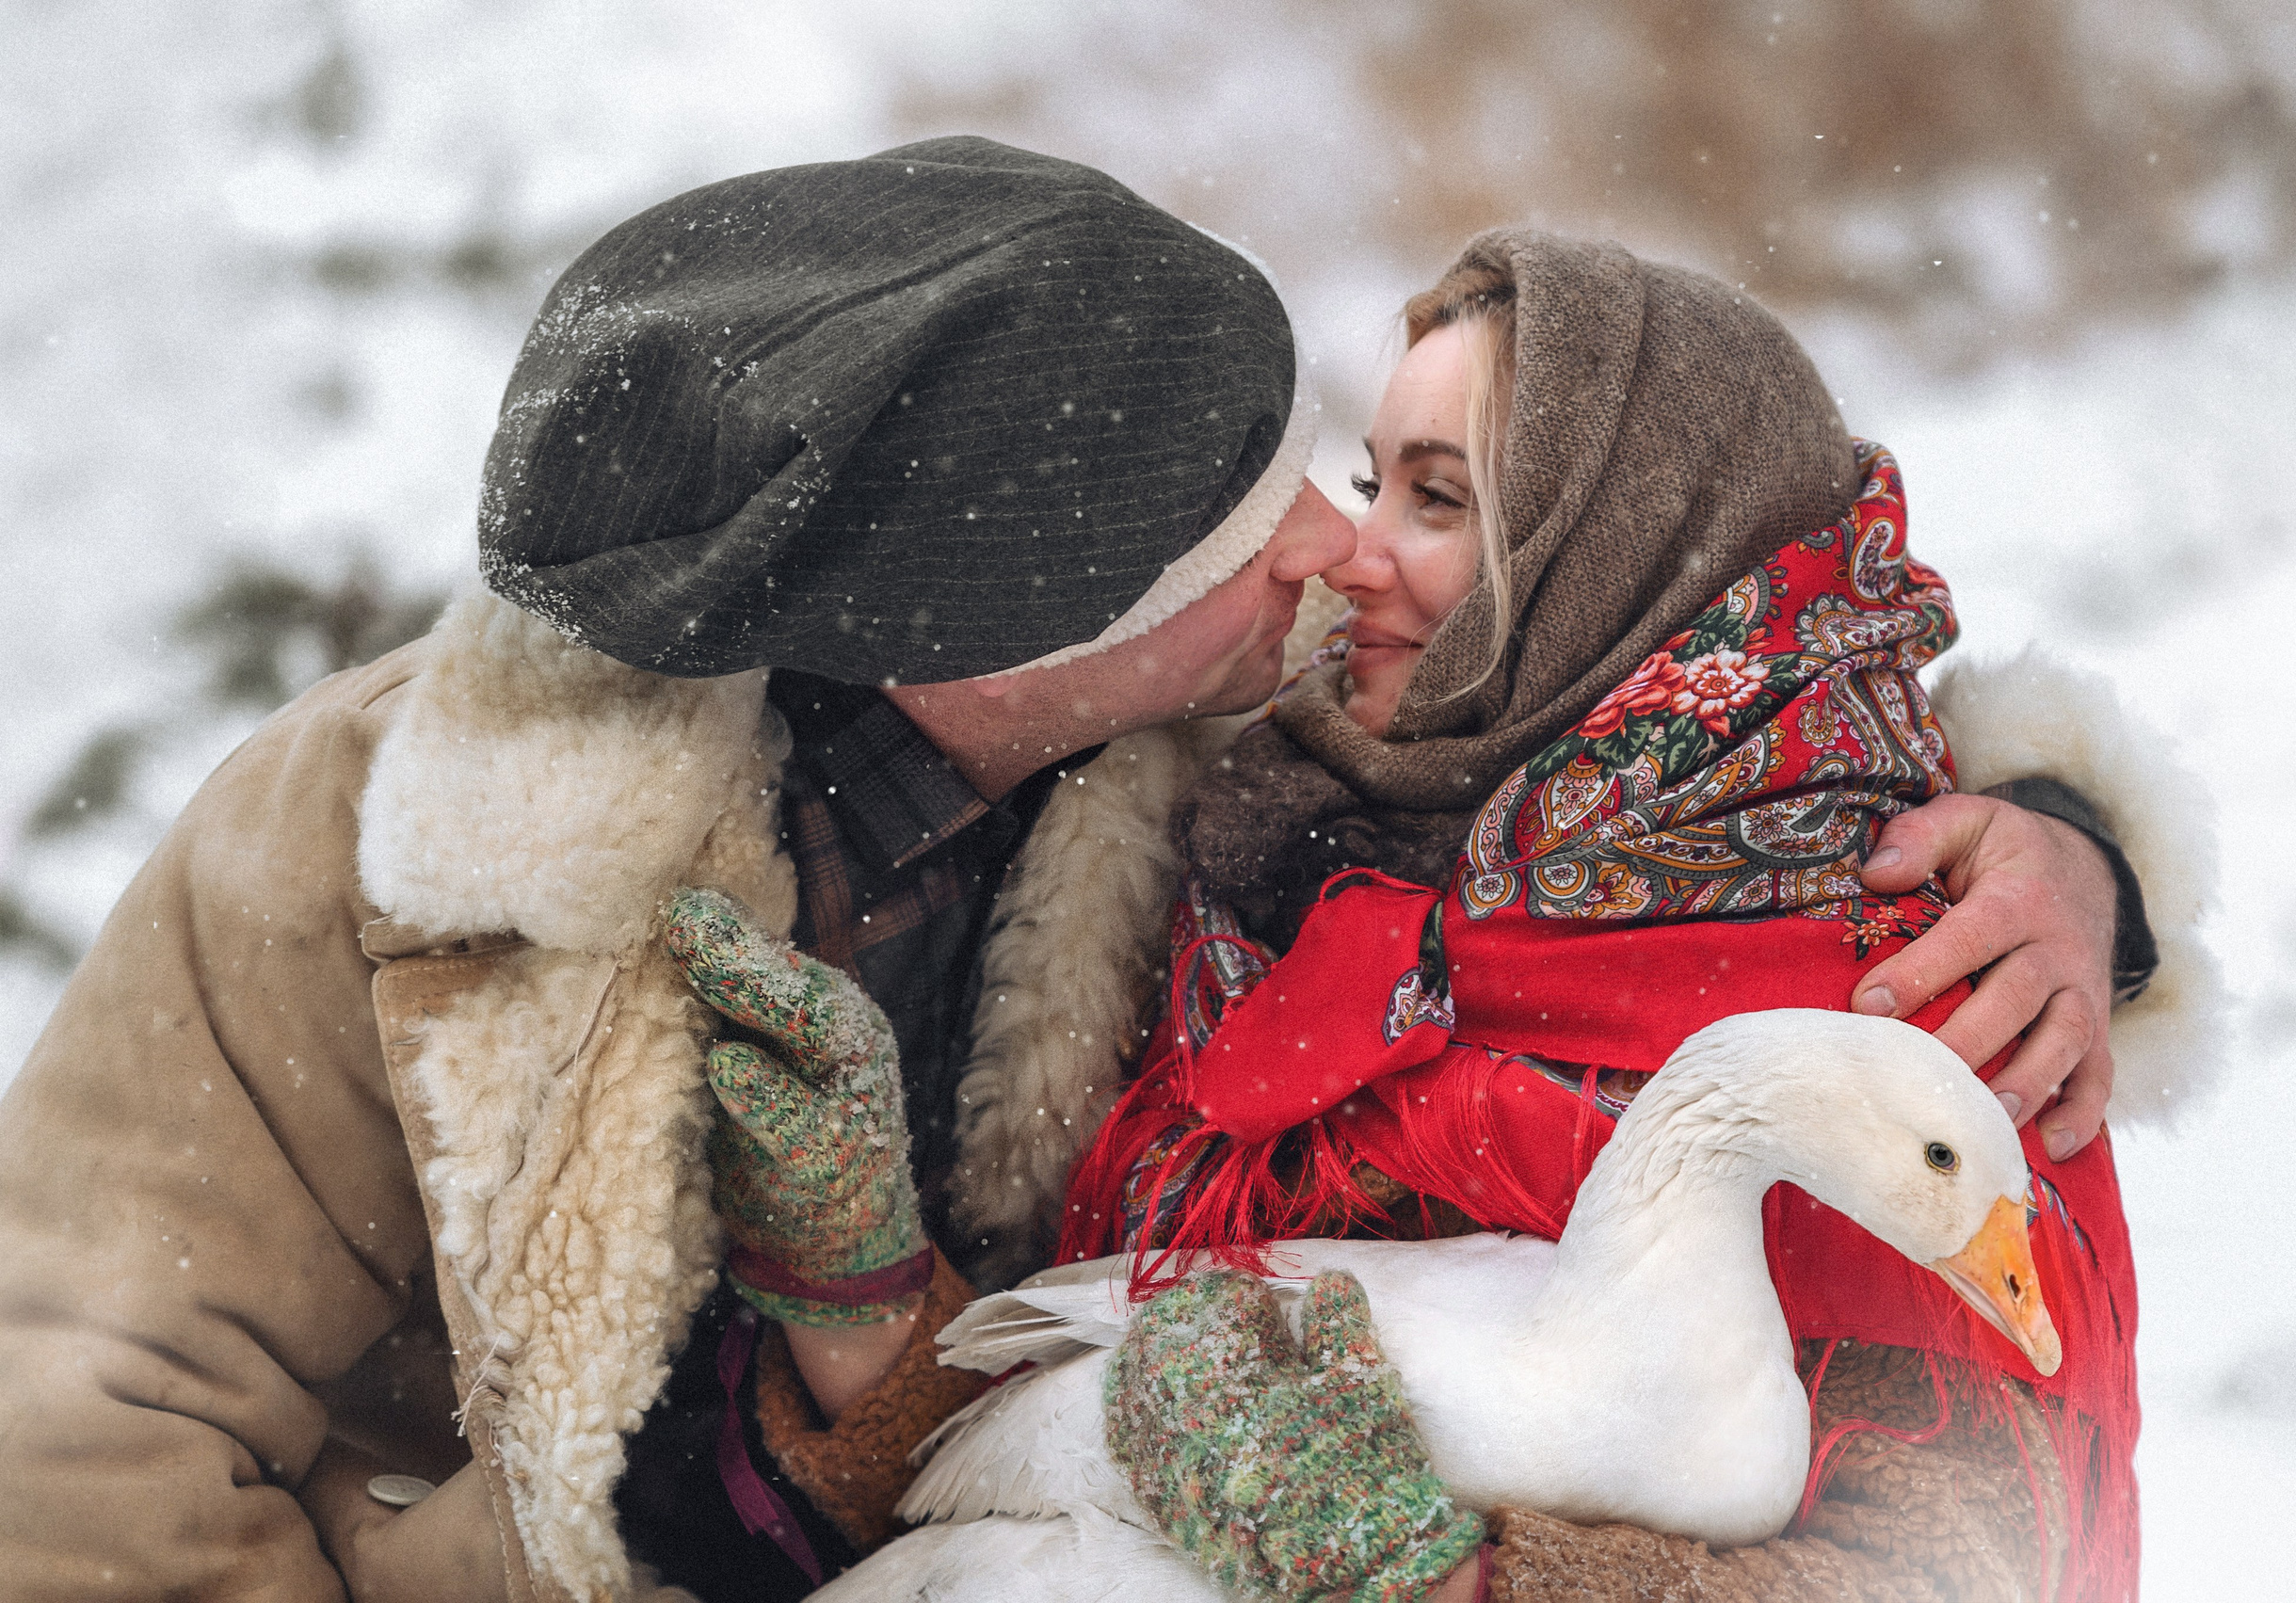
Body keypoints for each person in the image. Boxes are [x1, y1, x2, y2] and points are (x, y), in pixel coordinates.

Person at [0, 136, 2163, 1602]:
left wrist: (2069, 854)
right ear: (1009, 616)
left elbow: (1723, 706)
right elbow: (73, 1431)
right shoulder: (395, 851)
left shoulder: (1278, 779)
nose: (1329, 553)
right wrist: (858, 1333)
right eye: (1275, 511)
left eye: (1414, 491)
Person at [1031, 233, 2219, 1601]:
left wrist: (1439, 1583)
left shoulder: (1913, 995)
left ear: (1614, 552)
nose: (1351, 558)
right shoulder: (1278, 846)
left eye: (1437, 498)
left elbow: (1954, 1571)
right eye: (1376, 484)